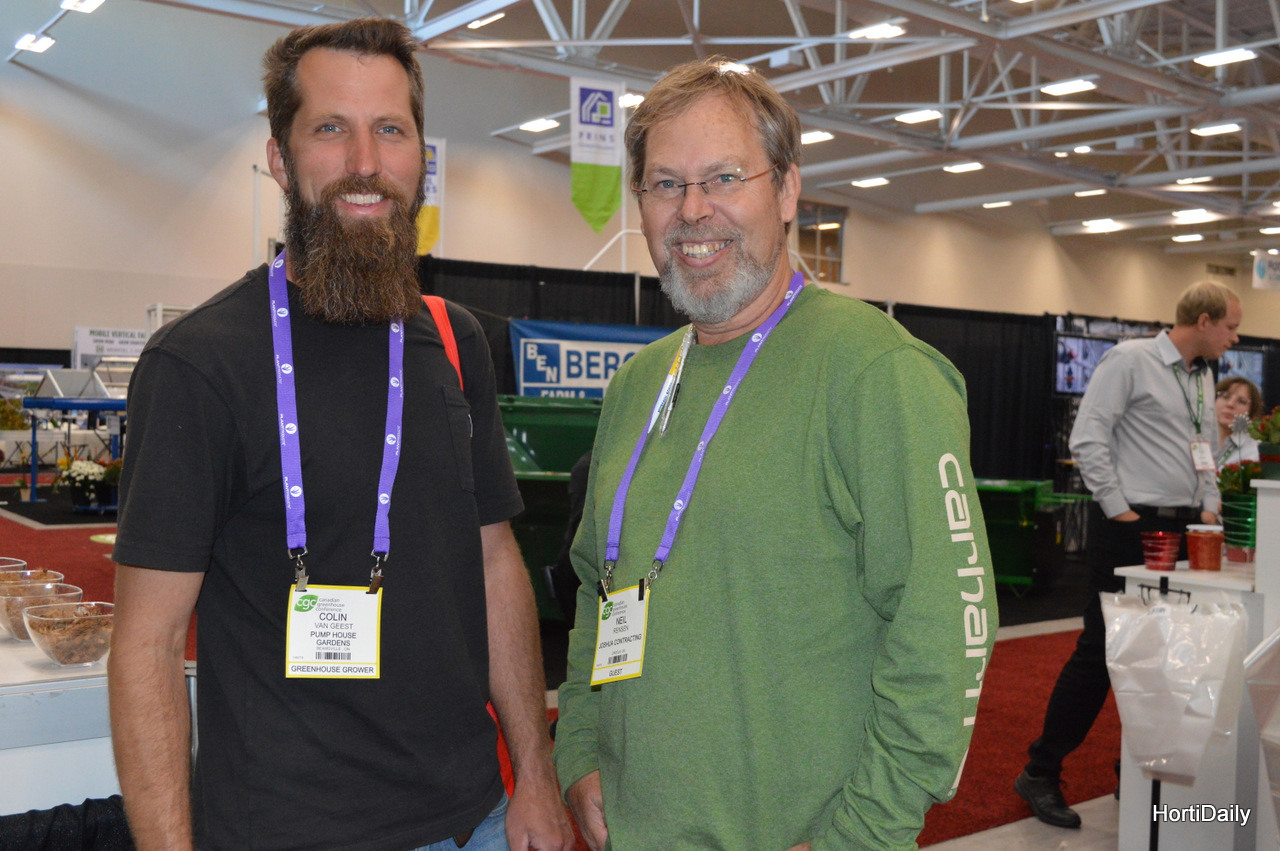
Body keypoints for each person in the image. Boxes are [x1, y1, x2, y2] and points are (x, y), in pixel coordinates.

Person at [107, 19, 573, 851]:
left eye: (390, 129)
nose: (365, 161)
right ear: (280, 159)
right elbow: (145, 647)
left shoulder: (454, 341)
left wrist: (534, 770)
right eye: (331, 128)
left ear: (421, 156)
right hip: (283, 830)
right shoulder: (200, 364)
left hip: (473, 820)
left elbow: (494, 560)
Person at [552, 57, 997, 850]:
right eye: (665, 184)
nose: (693, 210)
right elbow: (596, 581)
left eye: (724, 177)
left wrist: (860, 836)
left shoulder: (877, 372)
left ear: (787, 190)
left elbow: (944, 631)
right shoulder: (636, 385)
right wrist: (579, 748)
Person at [1015, 280, 1244, 829]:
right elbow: (1088, 439)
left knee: (1166, 655)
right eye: (1231, 327)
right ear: (1205, 320)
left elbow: (1204, 450)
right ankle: (1041, 771)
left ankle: (1138, 775)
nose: (1235, 339)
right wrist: (1120, 512)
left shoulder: (1201, 375)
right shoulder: (1130, 360)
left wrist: (1210, 507)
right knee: (1101, 650)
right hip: (1132, 527)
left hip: (1186, 528)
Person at [1215, 376, 1264, 467]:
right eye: (1225, 397)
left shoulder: (1257, 451)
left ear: (1251, 413)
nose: (1230, 404)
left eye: (1241, 401)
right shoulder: (1196, 438)